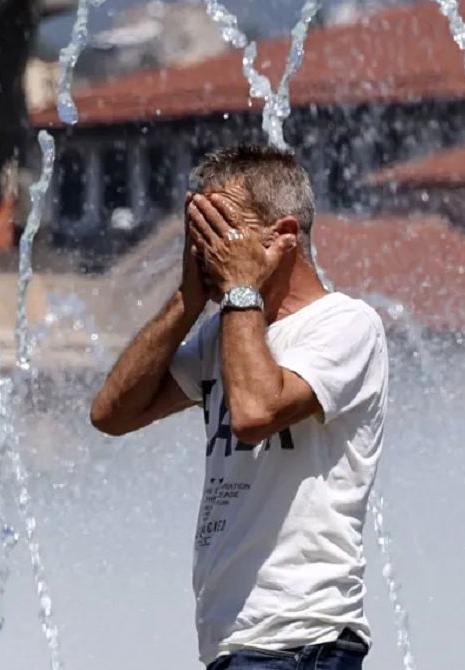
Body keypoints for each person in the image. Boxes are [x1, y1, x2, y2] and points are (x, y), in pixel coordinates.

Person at [90, 145, 388, 669]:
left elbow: (253, 414)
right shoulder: (225, 331)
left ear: (283, 236)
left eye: (221, 230)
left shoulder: (346, 325)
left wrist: (240, 289)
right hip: (236, 638)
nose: (207, 249)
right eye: (198, 233)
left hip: (303, 638)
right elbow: (113, 414)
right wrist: (186, 300)